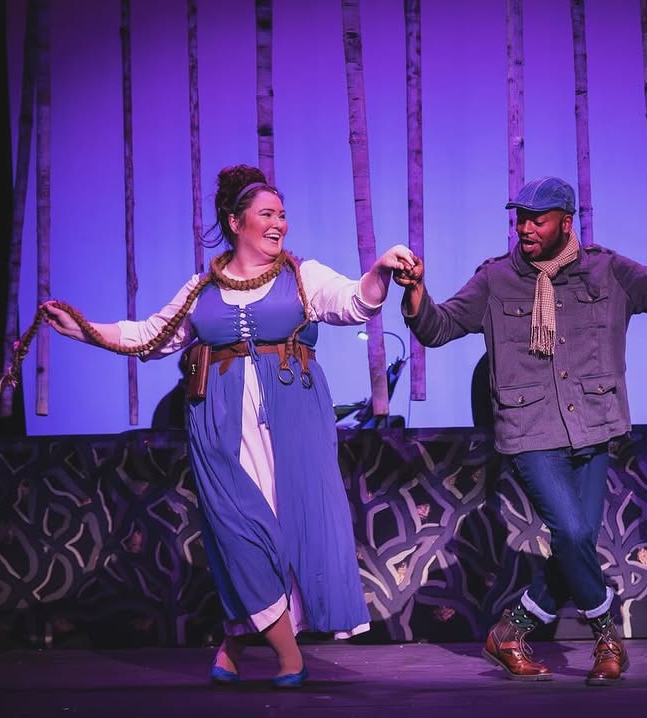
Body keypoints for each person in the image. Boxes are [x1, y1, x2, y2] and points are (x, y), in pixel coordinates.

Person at [39, 164, 418, 688]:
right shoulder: (201, 290)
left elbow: (356, 302)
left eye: (282, 215)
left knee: (289, 531)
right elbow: (150, 336)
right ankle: (289, 656)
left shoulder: (302, 276)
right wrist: (83, 330)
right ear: (237, 223)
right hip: (219, 426)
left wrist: (380, 269)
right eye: (267, 214)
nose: (279, 223)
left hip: (296, 421)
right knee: (240, 533)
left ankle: (232, 648)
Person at [393, 176, 647, 686]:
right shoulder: (496, 279)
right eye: (520, 219)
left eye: (536, 220)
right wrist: (415, 291)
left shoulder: (607, 270)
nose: (524, 228)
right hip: (531, 431)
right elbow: (438, 327)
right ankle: (607, 636)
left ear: (566, 222)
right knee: (571, 532)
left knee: (577, 539)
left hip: (594, 424)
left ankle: (510, 632)